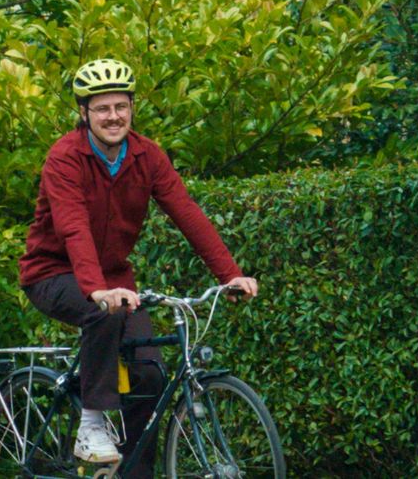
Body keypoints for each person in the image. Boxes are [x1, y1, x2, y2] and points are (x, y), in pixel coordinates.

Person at [18, 58, 260, 475]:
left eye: (120, 106)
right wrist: (96, 290)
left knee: (149, 376)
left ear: (131, 107)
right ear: (84, 113)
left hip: (113, 279)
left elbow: (187, 213)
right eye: (102, 108)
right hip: (52, 272)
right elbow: (73, 226)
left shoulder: (147, 156)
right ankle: (92, 423)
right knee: (103, 313)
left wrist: (229, 274)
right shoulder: (65, 157)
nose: (113, 116)